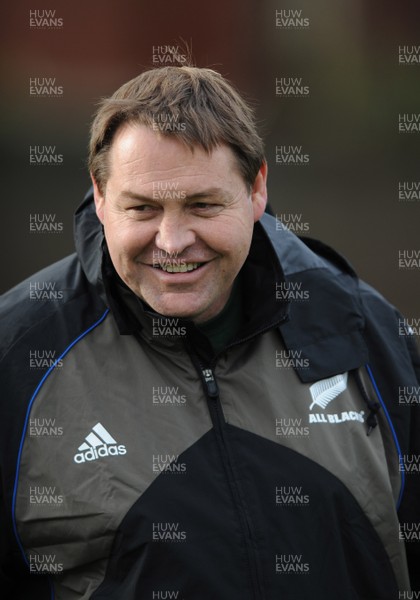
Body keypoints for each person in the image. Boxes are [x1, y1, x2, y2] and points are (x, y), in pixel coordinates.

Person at [0, 65, 419, 600]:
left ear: (256, 188)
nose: (173, 242)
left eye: (202, 205)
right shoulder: (19, 353)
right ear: (101, 196)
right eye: (143, 209)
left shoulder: (361, 325)